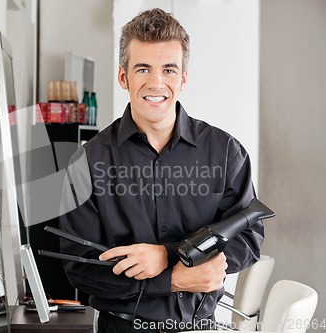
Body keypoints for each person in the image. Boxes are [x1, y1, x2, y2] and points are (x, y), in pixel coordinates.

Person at [59, 8, 263, 333]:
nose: (157, 82)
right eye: (143, 68)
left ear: (183, 78)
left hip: (200, 327)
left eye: (169, 69)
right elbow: (79, 266)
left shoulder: (225, 152)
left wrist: (166, 255)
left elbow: (248, 238)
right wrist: (173, 280)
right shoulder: (86, 163)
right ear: (123, 77)